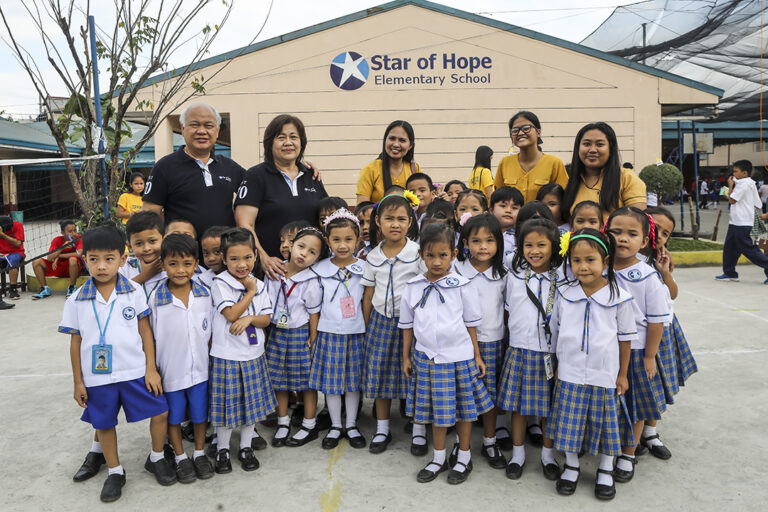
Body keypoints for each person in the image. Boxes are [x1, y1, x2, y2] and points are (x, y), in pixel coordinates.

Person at [58, 224, 174, 502]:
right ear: (84, 258)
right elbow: (75, 342)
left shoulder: (133, 291)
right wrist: (78, 381)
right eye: (94, 259)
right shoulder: (75, 300)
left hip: (135, 371)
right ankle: (115, 471)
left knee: (159, 411)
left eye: (109, 259)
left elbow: (145, 331)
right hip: (98, 378)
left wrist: (150, 368)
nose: (101, 266)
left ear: (123, 260)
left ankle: (157, 457)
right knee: (104, 423)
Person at [400, 223, 493, 485]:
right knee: (437, 413)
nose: (436, 261)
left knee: (464, 411)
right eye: (430, 255)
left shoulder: (462, 286)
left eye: (443, 255)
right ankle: (439, 457)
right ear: (421, 255)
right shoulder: (413, 287)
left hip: (459, 357)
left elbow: (471, 324)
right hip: (427, 358)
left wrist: (476, 356)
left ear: (453, 254)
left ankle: (463, 456)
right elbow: (407, 326)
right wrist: (406, 357)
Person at [548, 228, 635, 501]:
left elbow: (625, 338)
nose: (583, 267)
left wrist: (622, 374)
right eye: (576, 260)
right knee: (570, 422)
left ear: (605, 262)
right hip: (571, 371)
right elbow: (556, 331)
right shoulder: (564, 293)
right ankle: (572, 465)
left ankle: (606, 469)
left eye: (590, 260)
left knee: (606, 423)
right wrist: (558, 364)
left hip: (605, 373)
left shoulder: (619, 297)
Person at [605, 207, 671, 484]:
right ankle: (607, 449)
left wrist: (649, 356)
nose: (623, 239)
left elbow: (656, 322)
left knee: (635, 405)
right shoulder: (598, 266)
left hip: (635, 351)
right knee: (609, 403)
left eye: (632, 234)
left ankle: (628, 453)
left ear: (645, 241)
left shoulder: (646, 276)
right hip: (605, 349)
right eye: (616, 232)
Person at [498, 217, 564, 481]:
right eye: (528, 245)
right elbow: (505, 311)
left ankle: (548, 456)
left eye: (541, 245)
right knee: (518, 408)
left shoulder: (563, 278)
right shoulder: (513, 276)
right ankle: (518, 454)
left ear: (554, 246)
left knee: (548, 408)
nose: (534, 250)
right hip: (519, 349)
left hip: (550, 352)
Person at [148, 234, 215, 483]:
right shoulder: (155, 298)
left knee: (200, 415)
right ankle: (179, 457)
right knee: (174, 418)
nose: (180, 270)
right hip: (170, 373)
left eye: (187, 263)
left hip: (201, 371)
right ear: (163, 264)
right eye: (173, 263)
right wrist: (153, 369)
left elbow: (209, 333)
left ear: (196, 264)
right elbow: (149, 338)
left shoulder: (205, 294)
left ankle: (198, 453)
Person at [209, 228, 276, 473]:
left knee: (251, 406)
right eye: (234, 258)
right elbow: (230, 314)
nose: (241, 264)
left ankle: (245, 447)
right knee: (227, 406)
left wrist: (250, 320)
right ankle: (223, 450)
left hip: (253, 355)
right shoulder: (220, 284)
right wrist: (249, 293)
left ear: (255, 256)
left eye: (247, 257)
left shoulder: (260, 284)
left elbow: (266, 319)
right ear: (224, 259)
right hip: (227, 356)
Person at [361, 194, 423, 454]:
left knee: (417, 375)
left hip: (412, 326)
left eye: (401, 219)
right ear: (378, 221)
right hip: (381, 323)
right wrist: (366, 327)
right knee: (381, 374)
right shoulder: (372, 256)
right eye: (389, 219)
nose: (395, 224)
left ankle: (419, 429)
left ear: (410, 222)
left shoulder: (418, 253)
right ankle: (383, 428)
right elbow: (368, 295)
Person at [235, 114, 328, 280]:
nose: (288, 142)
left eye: (294, 137)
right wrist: (263, 258)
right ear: (270, 143)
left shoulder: (311, 175)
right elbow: (244, 224)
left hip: (310, 271)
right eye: (281, 137)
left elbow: (327, 218)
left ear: (302, 143)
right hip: (273, 271)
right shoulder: (256, 176)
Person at [142, 103, 245, 240]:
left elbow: (257, 194)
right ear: (183, 129)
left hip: (223, 256)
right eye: (195, 125)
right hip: (182, 256)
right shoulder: (164, 167)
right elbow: (150, 215)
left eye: (208, 126)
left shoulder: (230, 167)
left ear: (217, 131)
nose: (202, 131)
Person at [308, 210, 367, 450]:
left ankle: (351, 424)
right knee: (332, 384)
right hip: (329, 333)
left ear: (358, 240)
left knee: (353, 382)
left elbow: (367, 302)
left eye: (348, 239)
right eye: (336, 240)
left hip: (356, 333)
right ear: (327, 240)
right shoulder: (319, 270)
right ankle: (334, 425)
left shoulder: (366, 268)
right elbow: (314, 307)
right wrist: (314, 335)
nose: (343, 245)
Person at [453, 214, 507, 470]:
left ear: (498, 244)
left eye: (489, 240)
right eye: (476, 241)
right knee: (463, 396)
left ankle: (489, 440)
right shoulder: (455, 271)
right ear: (465, 243)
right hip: (461, 345)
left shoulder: (504, 274)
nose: (483, 246)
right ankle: (460, 444)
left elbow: (507, 310)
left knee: (491, 398)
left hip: (494, 342)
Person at [264, 226, 325, 447]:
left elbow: (314, 312)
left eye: (312, 252)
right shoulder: (274, 271)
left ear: (318, 258)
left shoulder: (311, 280)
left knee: (306, 382)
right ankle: (283, 421)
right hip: (277, 332)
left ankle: (309, 424)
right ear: (291, 245)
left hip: (300, 334)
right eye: (301, 247)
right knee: (279, 381)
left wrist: (313, 336)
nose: (303, 254)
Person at [561, 122, 646, 219]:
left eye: (600, 144)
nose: (592, 149)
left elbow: (638, 222)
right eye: (587, 144)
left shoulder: (626, 178)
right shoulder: (567, 178)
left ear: (611, 148)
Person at [493, 111, 568, 203]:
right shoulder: (505, 163)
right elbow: (497, 200)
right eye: (515, 130)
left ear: (538, 132)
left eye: (526, 128)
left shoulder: (554, 163)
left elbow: (564, 199)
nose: (520, 133)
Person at [716, 160, 768, 284]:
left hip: (743, 223)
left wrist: (730, 185)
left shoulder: (744, 184)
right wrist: (729, 186)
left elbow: (732, 201)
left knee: (749, 249)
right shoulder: (743, 183)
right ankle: (730, 273)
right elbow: (730, 197)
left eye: (736, 171)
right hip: (735, 222)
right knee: (730, 248)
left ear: (744, 173)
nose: (733, 174)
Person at [356, 121, 421, 204]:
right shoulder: (370, 170)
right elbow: (362, 208)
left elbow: (421, 201)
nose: (396, 144)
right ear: (385, 140)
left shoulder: (414, 169)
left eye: (402, 140)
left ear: (410, 145)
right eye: (392, 138)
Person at [32, 219, 84, 299]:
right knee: (36, 262)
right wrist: (62, 248)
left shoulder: (79, 238)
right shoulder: (57, 240)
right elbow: (49, 258)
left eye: (75, 230)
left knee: (73, 259)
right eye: (70, 231)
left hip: (74, 268)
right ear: (63, 233)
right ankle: (44, 288)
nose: (73, 234)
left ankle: (72, 287)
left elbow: (78, 254)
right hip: (57, 267)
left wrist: (58, 256)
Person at [120, 212, 166, 299]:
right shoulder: (125, 267)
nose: (146, 248)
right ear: (130, 246)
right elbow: (117, 294)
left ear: (164, 240)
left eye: (152, 241)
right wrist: (144, 276)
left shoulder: (172, 266)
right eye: (138, 243)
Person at [489, 187, 524, 265]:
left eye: (514, 208)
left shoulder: (521, 237)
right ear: (491, 210)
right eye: (503, 206)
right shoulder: (483, 233)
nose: (508, 210)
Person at [0, 215, 25, 300]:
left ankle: (13, 288)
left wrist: (3, 235)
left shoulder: (18, 225)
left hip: (16, 252)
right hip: (2, 253)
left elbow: (18, 243)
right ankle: (2, 290)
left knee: (13, 261)